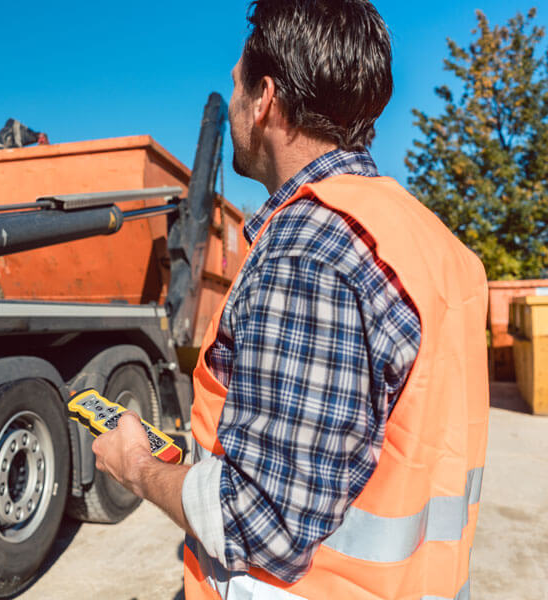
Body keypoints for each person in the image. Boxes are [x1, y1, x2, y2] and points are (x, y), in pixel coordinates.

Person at [91, 1, 489, 598]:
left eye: (236, 85)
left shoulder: (309, 248)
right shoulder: (438, 244)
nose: (231, 109)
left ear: (266, 98)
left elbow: (259, 524)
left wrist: (138, 468)